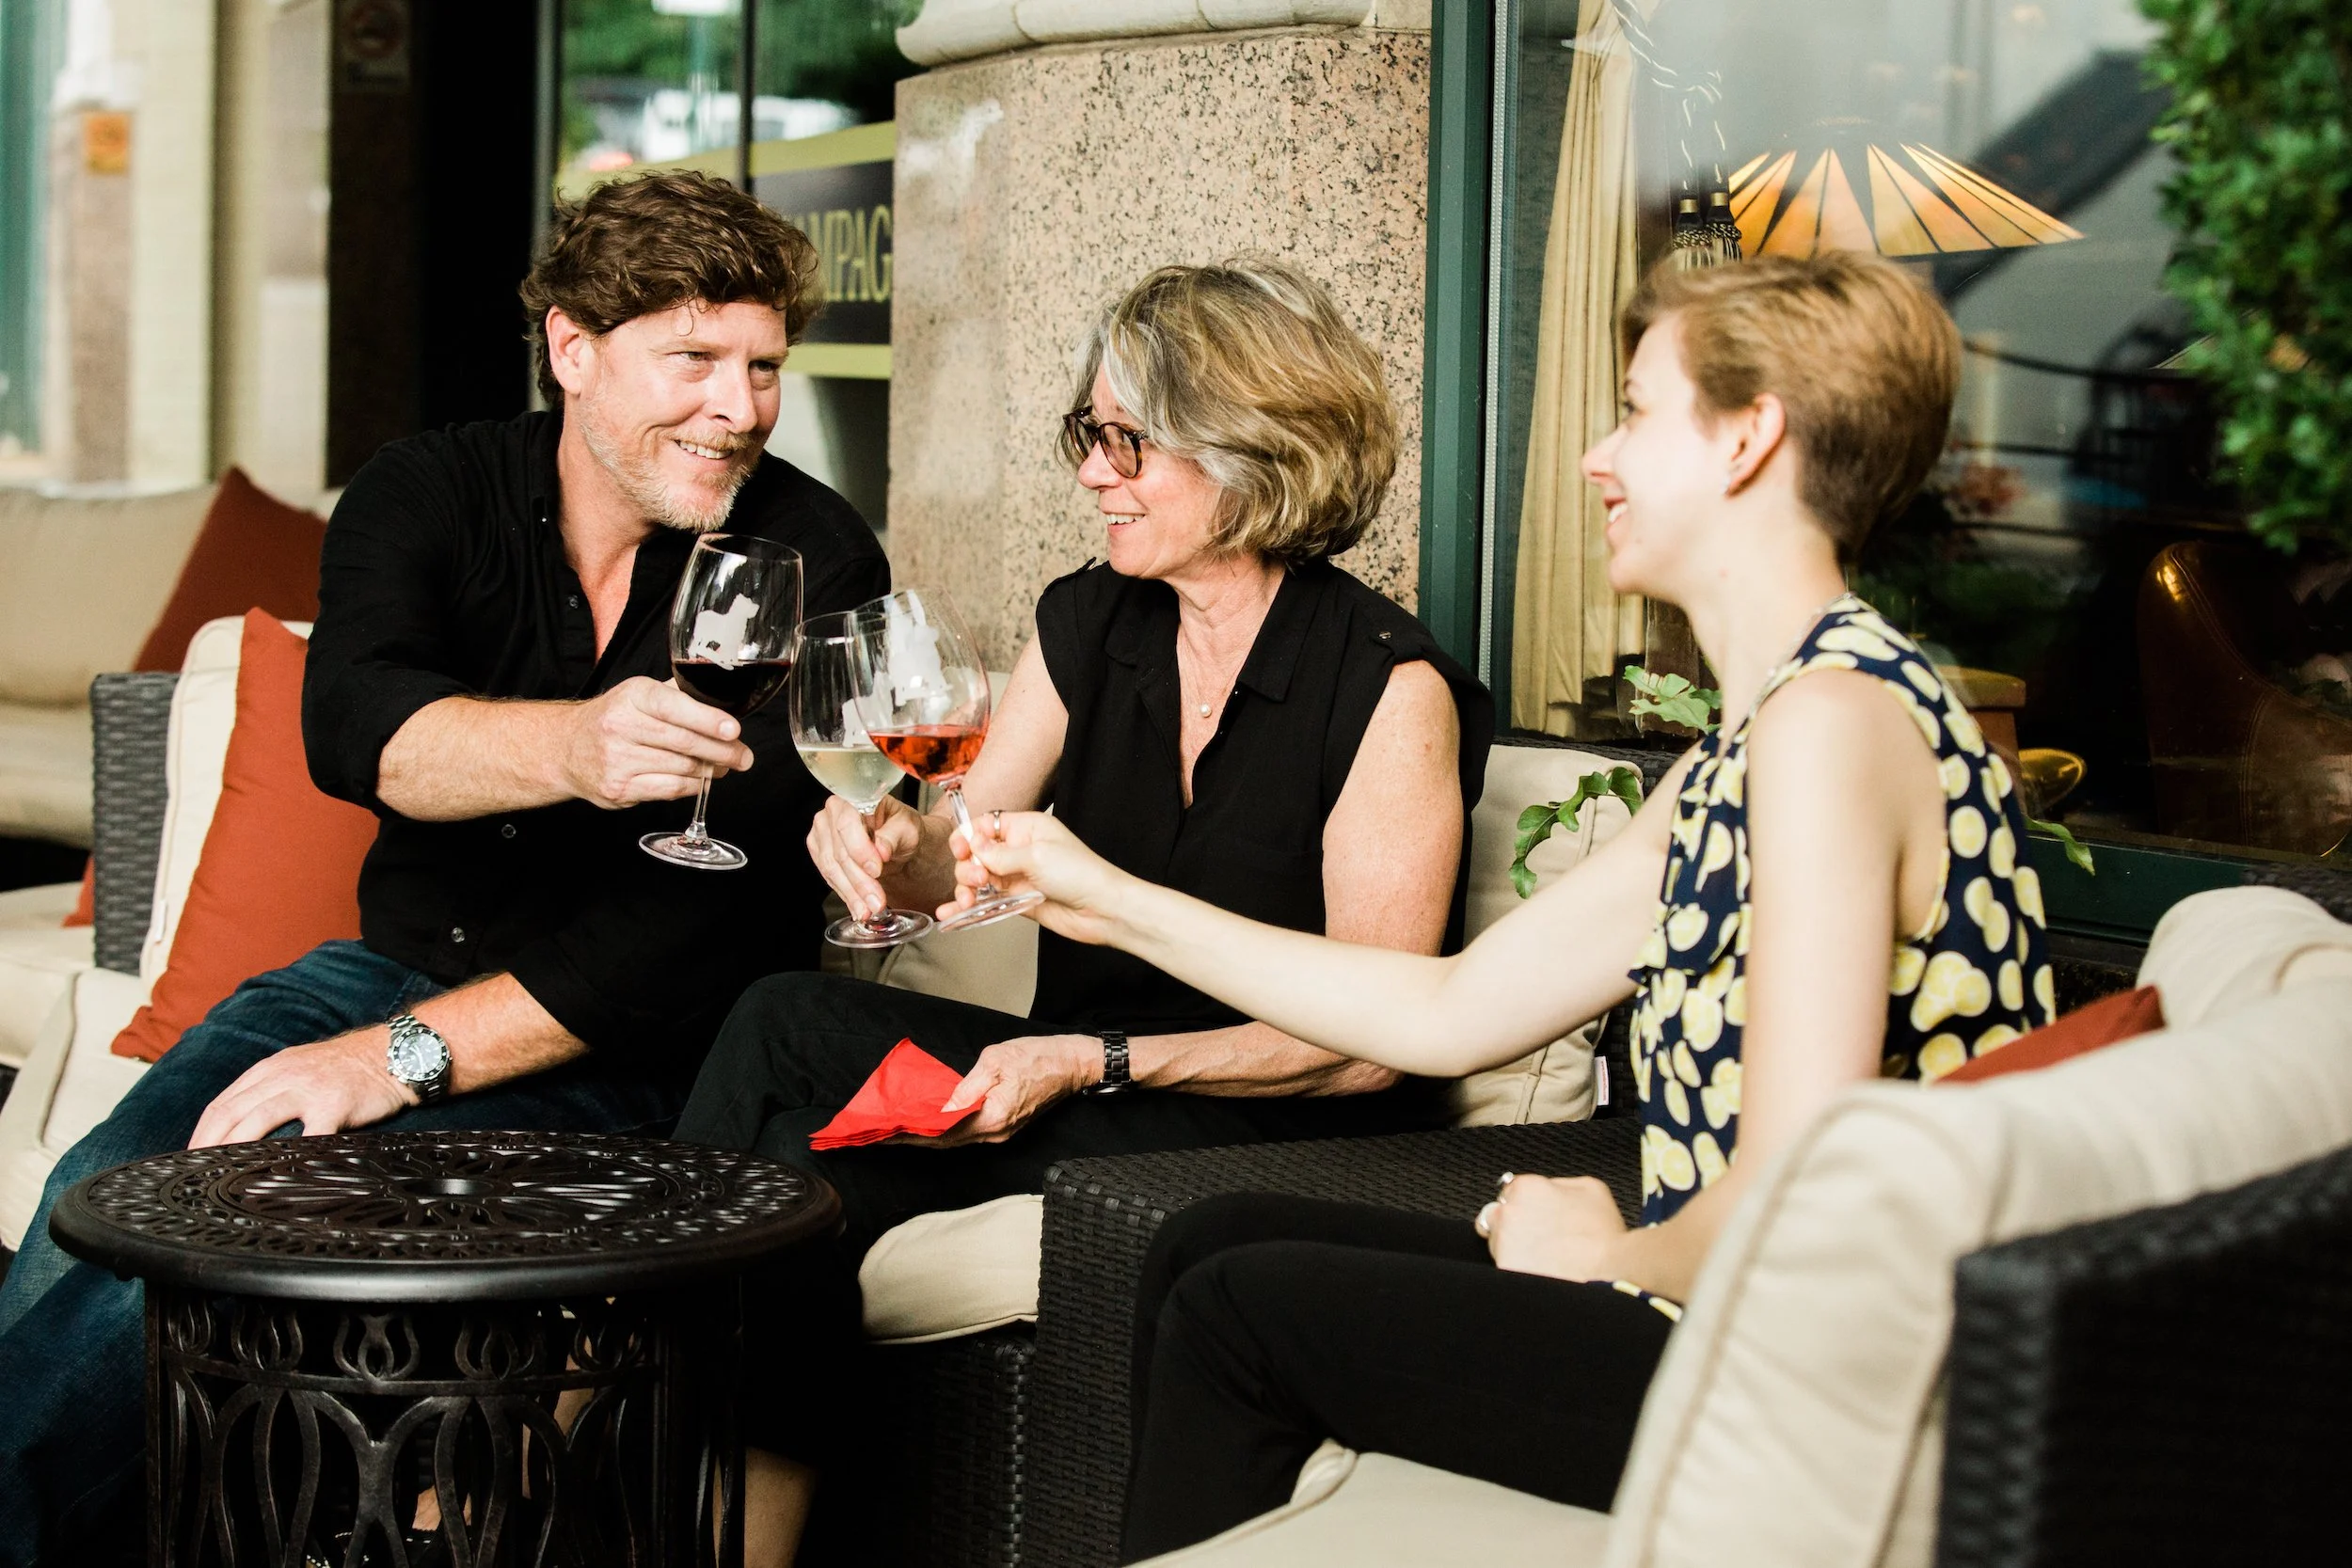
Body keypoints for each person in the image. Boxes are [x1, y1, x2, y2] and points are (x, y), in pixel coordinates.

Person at [951, 250, 2060, 1560]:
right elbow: (1451, 1007)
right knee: (1209, 1242)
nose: (1596, 456)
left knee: (1240, 1309)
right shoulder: (1760, 737)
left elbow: (1790, 1201)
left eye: (1639, 413)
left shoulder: (1830, 727)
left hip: (1820, 1370)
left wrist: (1614, 1249)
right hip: (1733, 1316)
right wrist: (1107, 896)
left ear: (1752, 437)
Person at [0, 169, 889, 1564]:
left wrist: (396, 1060)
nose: (741, 407)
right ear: (573, 350)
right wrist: (578, 749)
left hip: (634, 1046)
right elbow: (361, 734)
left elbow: (695, 929)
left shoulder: (810, 551)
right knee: (95, 1203)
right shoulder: (428, 488)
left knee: (217, 1239)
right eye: (697, 359)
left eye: (765, 366)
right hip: (379, 975)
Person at [672, 259, 1492, 1565]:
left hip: (1244, 1110)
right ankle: (622, 1435)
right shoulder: (1090, 620)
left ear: (1255, 447)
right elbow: (966, 853)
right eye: (1086, 435)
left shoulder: (1386, 689)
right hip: (1068, 1073)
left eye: (1128, 441)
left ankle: (642, 1479)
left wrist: (1094, 1059)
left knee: (802, 1186)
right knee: (777, 1022)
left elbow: (1368, 1036)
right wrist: (893, 849)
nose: (1093, 473)